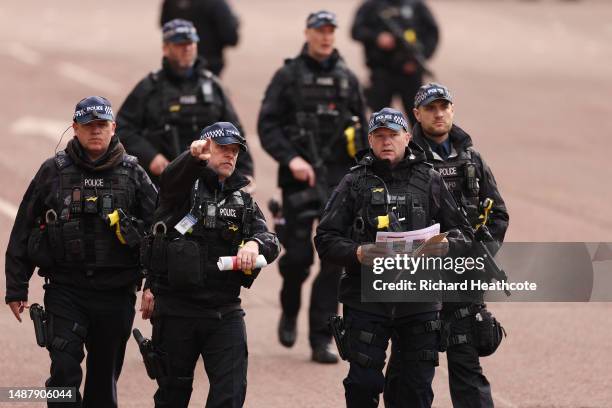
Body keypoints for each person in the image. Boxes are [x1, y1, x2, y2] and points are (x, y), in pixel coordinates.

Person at [314, 107, 473, 407]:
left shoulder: (430, 178)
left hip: (419, 299)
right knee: (362, 384)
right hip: (367, 298)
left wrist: (446, 246)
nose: (387, 141)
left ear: (408, 137)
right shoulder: (354, 182)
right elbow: (325, 239)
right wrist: (358, 252)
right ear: (371, 141)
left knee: (415, 390)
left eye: (393, 135)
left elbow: (464, 234)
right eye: (379, 136)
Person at [5, 96, 157, 407]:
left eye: (102, 125)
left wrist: (155, 286)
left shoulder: (133, 173)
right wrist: (16, 286)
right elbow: (24, 226)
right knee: (63, 370)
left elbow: (160, 232)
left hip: (116, 294)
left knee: (103, 382)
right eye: (89, 126)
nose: (96, 132)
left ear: (113, 128)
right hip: (66, 291)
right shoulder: (53, 171)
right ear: (75, 128)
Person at [384, 83, 509, 408]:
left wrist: (479, 258)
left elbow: (497, 214)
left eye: (444, 107)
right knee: (410, 367)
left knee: (467, 362)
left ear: (452, 110)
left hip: (462, 278)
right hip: (418, 279)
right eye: (430, 108)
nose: (439, 114)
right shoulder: (405, 160)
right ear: (417, 114)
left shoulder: (472, 160)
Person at [141, 122, 280, 408]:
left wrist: (254, 244)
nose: (229, 156)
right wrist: (192, 157)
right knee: (173, 394)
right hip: (177, 309)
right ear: (206, 149)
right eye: (222, 149)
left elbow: (270, 239)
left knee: (230, 393)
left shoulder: (243, 199)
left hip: (224, 310)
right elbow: (169, 180)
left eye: (234, 151)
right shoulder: (181, 190)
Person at [257, 10, 368, 364]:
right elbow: (267, 125)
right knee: (299, 259)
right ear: (307, 32)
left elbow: (365, 133)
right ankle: (289, 309)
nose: (325, 36)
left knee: (334, 261)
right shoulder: (288, 77)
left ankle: (321, 338)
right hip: (298, 179)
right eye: (319, 30)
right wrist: (291, 159)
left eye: (330, 31)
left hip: (339, 181)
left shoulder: (348, 80)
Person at [116, 18, 253, 186]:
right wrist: (150, 156)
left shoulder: (213, 86)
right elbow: (123, 127)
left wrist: (247, 173)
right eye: (180, 44)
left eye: (191, 43)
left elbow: (235, 133)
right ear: (166, 48)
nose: (187, 48)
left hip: (208, 183)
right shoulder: (149, 87)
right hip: (163, 184)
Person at [351, 0, 439, 126]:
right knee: (381, 122)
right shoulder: (371, 5)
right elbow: (356, 31)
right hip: (382, 72)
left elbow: (432, 33)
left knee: (420, 122)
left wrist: (421, 58)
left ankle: (419, 146)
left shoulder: (416, 5)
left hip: (410, 73)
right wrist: (377, 37)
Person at [160, 0, 240, 76]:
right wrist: (233, 23)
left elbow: (165, 26)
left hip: (175, 66)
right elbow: (231, 38)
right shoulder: (217, 3)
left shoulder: (171, 2)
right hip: (210, 63)